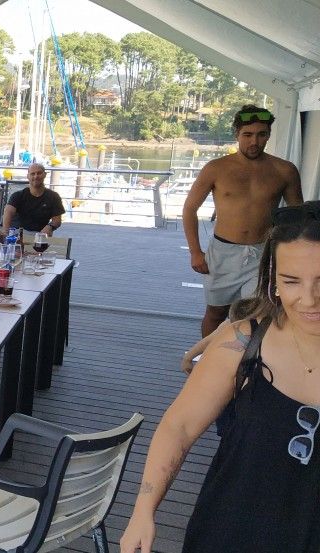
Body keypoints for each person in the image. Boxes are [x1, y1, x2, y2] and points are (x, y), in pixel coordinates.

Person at [119, 204, 320, 553]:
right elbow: (178, 426)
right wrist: (143, 511)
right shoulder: (243, 343)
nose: (308, 299)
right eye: (291, 281)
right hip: (229, 533)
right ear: (272, 281)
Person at [182, 105, 303, 338]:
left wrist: (291, 257)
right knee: (216, 313)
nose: (254, 142)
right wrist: (195, 252)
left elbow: (296, 217)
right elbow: (189, 209)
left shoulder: (284, 170)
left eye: (261, 135)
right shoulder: (216, 168)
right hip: (223, 252)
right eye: (247, 135)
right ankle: (207, 360)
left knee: (252, 314)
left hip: (262, 253)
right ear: (236, 134)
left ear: (269, 135)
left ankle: (244, 364)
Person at [0, 162, 65, 234]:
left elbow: (57, 220)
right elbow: (8, 212)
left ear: (45, 175)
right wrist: (6, 232)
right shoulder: (17, 195)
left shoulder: (54, 197)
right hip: (18, 234)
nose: (36, 176)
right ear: (28, 176)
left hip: (40, 235)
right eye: (32, 174)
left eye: (39, 173)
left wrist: (50, 226)